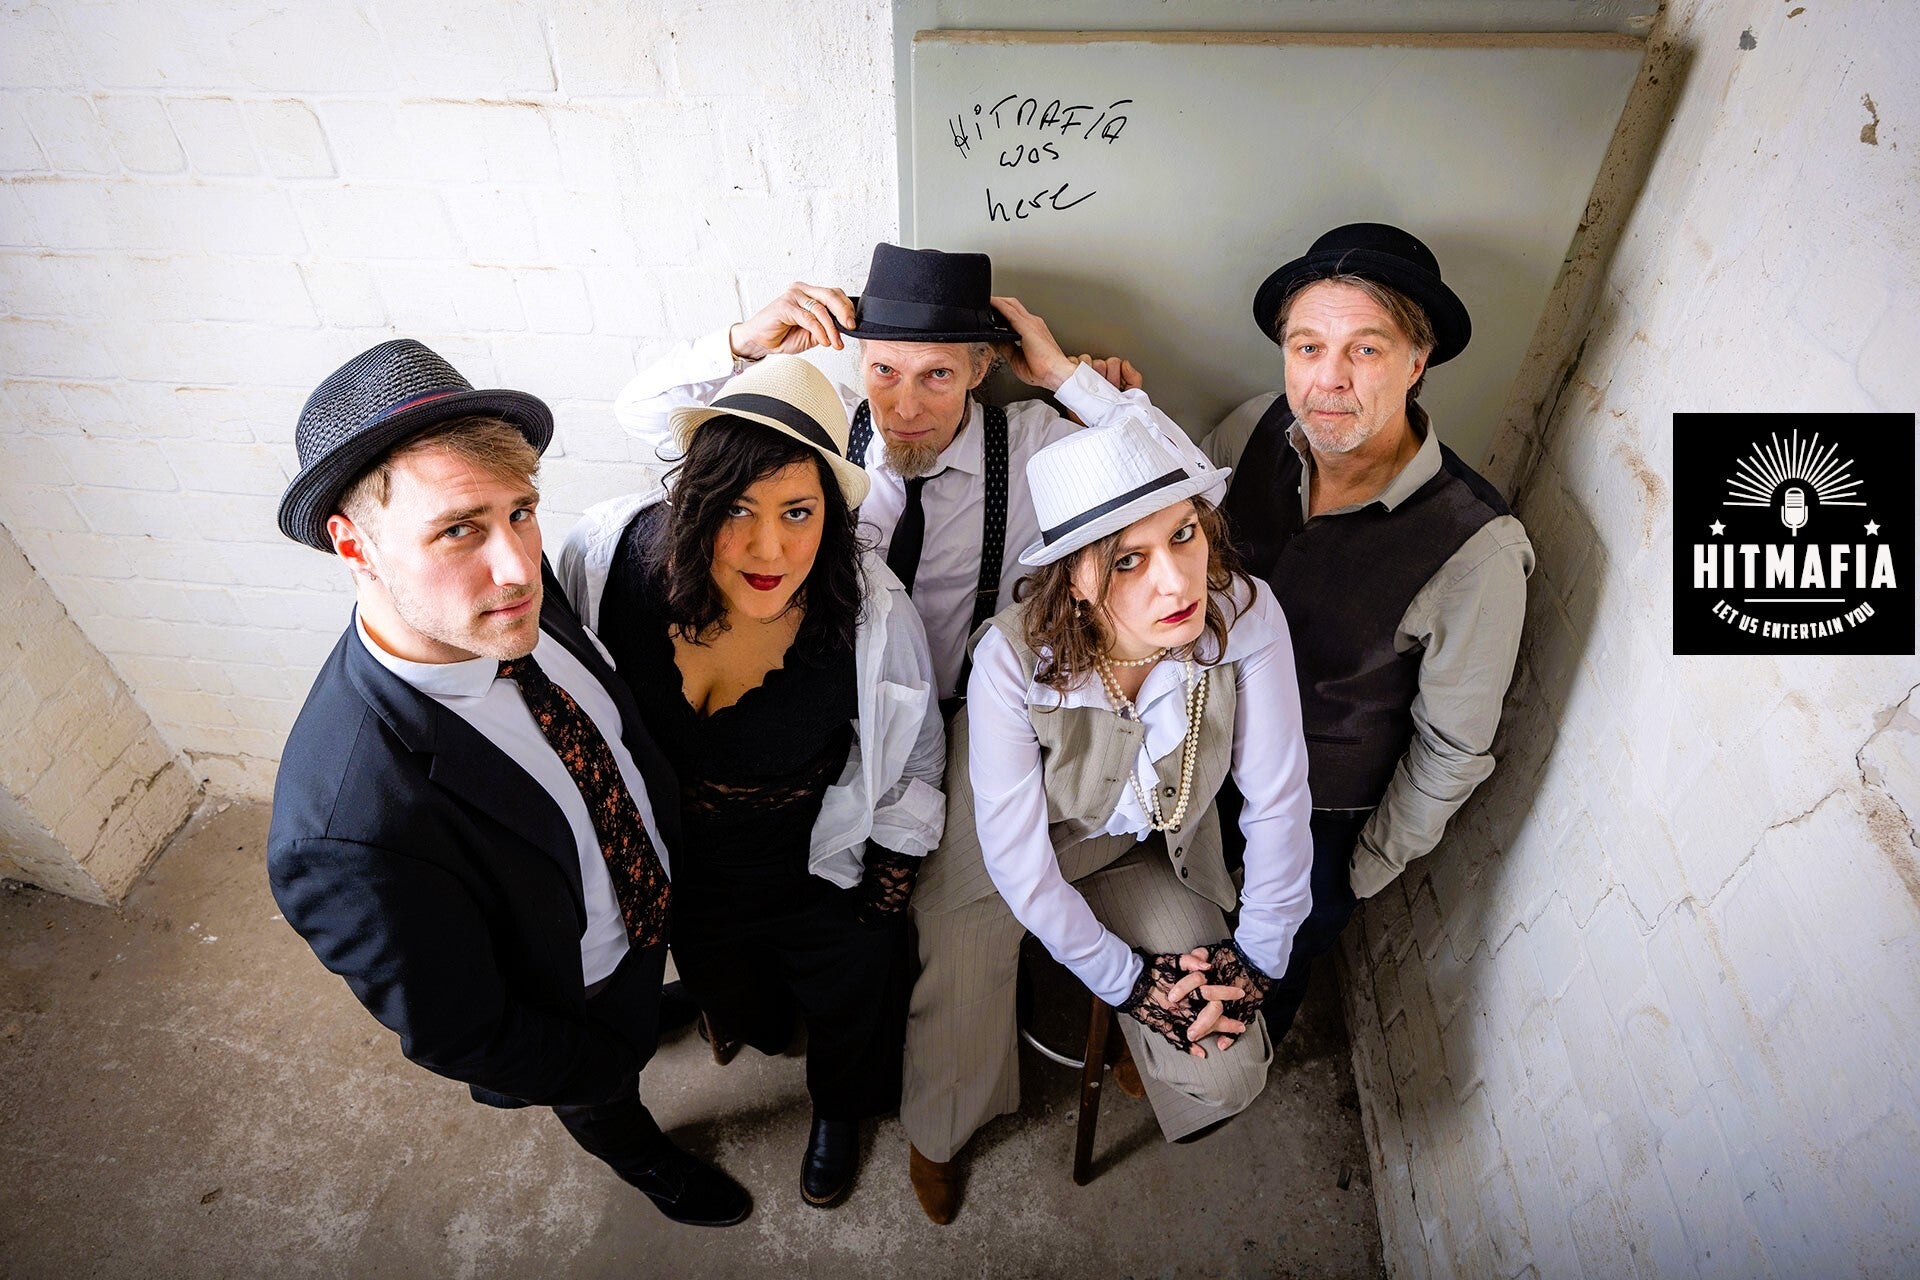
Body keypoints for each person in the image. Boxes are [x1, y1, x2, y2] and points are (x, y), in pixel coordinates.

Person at [266, 340, 750, 1227]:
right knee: (604, 1083)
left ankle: (643, 1008)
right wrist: (596, 1064)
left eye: (521, 511)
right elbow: (469, 1032)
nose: (520, 565)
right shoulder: (346, 829)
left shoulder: (506, 598)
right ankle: (641, 1152)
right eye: (458, 528)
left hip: (638, 909)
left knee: (641, 1004)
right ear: (354, 545)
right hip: (570, 990)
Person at [899, 363, 1315, 1224]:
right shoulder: (1013, 658)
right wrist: (1127, 982)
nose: (1177, 582)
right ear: (1078, 577)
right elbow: (1018, 863)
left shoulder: (1247, 614)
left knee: (1228, 1067)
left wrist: (1259, 959)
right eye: (1129, 559)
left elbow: (1279, 800)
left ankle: (1147, 1051)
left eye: (1185, 535)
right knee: (958, 993)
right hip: (1003, 851)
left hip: (1142, 839)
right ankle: (941, 1131)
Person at [557, 355, 946, 1209]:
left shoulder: (869, 610)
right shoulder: (610, 562)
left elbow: (915, 758)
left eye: (798, 512)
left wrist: (881, 898)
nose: (770, 549)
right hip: (681, 871)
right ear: (694, 504)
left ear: (831, 515)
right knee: (744, 1004)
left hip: (813, 869)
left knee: (852, 999)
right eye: (737, 508)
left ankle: (838, 1111)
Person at [1204, 222, 1535, 1041]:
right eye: (1308, 347)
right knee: (1173, 938)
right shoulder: (1251, 428)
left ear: (1418, 362)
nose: (1329, 379)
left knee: (1256, 991)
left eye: (1366, 349)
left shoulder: (1478, 547)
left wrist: (1356, 873)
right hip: (1192, 754)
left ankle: (1238, 1053)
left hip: (1317, 815)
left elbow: (1452, 748)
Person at [614, 241, 1142, 708]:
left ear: (979, 370)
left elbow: (1174, 479)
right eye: (884, 371)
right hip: (830, 715)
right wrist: (745, 343)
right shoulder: (823, 431)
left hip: (973, 718)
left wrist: (1069, 382)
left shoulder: (1033, 446)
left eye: (937, 374)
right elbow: (638, 414)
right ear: (861, 361)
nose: (906, 408)